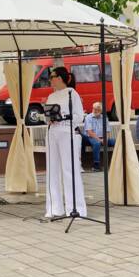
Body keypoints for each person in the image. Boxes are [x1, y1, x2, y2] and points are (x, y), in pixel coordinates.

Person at [45, 67, 87, 218]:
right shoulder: (51, 96)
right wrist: (49, 118)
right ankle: (54, 208)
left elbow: (79, 116)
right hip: (52, 133)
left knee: (69, 170)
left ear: (60, 78)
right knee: (52, 170)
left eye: (52, 77)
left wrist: (62, 117)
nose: (50, 80)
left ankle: (75, 207)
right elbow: (47, 115)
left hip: (66, 132)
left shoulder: (72, 93)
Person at [82, 102, 115, 172]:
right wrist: (100, 140)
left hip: (102, 138)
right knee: (97, 143)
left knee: (116, 142)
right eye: (94, 109)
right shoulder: (88, 117)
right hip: (90, 138)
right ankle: (96, 165)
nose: (95, 110)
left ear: (101, 111)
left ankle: (117, 162)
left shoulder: (104, 118)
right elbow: (90, 132)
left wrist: (105, 139)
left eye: (97, 109)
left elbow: (107, 131)